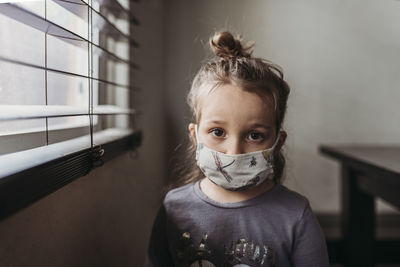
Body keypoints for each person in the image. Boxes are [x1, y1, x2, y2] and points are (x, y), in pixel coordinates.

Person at [145, 31, 329, 267]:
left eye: (255, 135)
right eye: (218, 132)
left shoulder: (296, 215)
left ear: (277, 143)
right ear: (195, 136)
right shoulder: (173, 208)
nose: (234, 152)